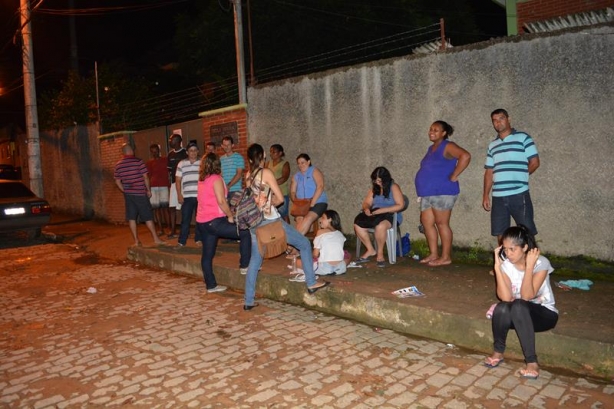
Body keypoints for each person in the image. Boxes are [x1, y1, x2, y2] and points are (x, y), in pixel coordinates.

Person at [243, 144, 330, 311]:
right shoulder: (266, 172)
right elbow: (279, 198)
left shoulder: (248, 176)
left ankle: (248, 300)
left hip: (255, 223)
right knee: (304, 244)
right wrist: (271, 202)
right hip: (271, 221)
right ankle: (311, 283)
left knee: (255, 261)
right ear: (263, 157)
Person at [484, 225, 558, 380]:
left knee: (518, 304)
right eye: (505, 249)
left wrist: (529, 267)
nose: (508, 254)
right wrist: (497, 267)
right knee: (502, 307)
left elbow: (526, 295)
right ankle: (498, 352)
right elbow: (504, 297)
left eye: (513, 249)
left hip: (543, 315)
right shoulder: (506, 265)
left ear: (524, 247)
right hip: (518, 315)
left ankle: (532, 362)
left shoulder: (541, 263)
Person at [414, 121, 471, 266]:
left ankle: (446, 257)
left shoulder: (448, 146)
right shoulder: (431, 148)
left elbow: (465, 156)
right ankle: (434, 254)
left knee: (441, 224)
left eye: (436, 130)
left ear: (444, 133)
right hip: (427, 193)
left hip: (443, 192)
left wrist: (454, 175)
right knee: (427, 223)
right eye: (431, 129)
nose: (431, 132)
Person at [196, 153, 251, 293]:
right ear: (217, 164)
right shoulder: (216, 179)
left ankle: (211, 285)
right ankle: (245, 265)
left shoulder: (202, 179)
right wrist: (230, 215)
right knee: (245, 232)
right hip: (214, 221)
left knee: (207, 255)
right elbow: (221, 200)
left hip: (203, 222)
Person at [483, 109, 540, 244]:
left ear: (509, 119)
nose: (498, 122)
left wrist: (521, 177)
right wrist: (486, 194)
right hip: (498, 196)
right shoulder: (492, 145)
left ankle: (531, 262)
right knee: (500, 232)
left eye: (501, 118)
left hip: (519, 193)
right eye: (495, 120)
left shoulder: (523, 138)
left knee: (526, 230)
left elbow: (535, 162)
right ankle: (505, 263)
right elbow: (489, 172)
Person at [113, 143, 165, 247]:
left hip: (129, 195)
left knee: (131, 218)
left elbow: (117, 181)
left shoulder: (118, 165)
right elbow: (145, 177)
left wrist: (124, 190)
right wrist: (148, 190)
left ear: (123, 152)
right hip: (140, 193)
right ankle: (156, 239)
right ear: (131, 150)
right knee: (147, 216)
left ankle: (136, 241)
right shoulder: (138, 162)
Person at [354, 167, 405, 268]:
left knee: (380, 226)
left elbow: (400, 205)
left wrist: (383, 210)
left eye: (379, 180)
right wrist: (366, 209)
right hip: (376, 214)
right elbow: (366, 202)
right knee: (357, 224)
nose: (377, 183)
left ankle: (380, 254)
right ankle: (370, 250)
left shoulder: (394, 187)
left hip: (391, 215)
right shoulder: (374, 188)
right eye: (375, 180)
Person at [290, 153, 328, 236]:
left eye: (302, 162)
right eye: (299, 163)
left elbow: (320, 186)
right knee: (299, 221)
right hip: (302, 204)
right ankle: (295, 247)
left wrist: (312, 203)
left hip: (318, 202)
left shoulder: (314, 171)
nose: (300, 165)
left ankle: (292, 246)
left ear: (308, 161)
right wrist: (296, 202)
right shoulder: (296, 176)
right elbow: (292, 192)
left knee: (308, 218)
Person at [175, 140, 202, 248]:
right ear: (187, 152)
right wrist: (179, 195)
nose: (193, 152)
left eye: (195, 150)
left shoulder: (202, 162)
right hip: (186, 197)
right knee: (185, 219)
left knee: (199, 219)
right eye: (191, 151)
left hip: (200, 196)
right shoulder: (181, 163)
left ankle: (199, 239)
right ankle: (182, 241)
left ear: (198, 151)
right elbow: (178, 180)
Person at [312, 210, 349, 276]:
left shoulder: (320, 232)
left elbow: (315, 254)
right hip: (341, 268)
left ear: (330, 219)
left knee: (301, 262)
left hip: (325, 267)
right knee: (348, 255)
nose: (320, 221)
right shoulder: (340, 233)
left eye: (323, 218)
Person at [146, 143, 171, 236]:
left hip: (164, 186)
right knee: (157, 209)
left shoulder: (165, 160)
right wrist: (147, 188)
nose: (154, 153)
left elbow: (169, 172)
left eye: (156, 151)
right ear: (151, 152)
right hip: (153, 187)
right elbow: (147, 176)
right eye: (152, 152)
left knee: (165, 208)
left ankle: (169, 227)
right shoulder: (149, 163)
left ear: (159, 150)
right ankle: (160, 229)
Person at [167, 134, 187, 238]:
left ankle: (184, 230)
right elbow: (169, 171)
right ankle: (173, 230)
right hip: (174, 183)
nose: (170, 141)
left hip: (184, 183)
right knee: (172, 207)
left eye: (171, 139)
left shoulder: (185, 153)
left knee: (184, 207)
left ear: (177, 140)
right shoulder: (170, 154)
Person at [266, 144, 291, 223]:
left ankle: (288, 233)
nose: (271, 154)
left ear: (280, 153)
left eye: (274, 152)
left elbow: (284, 177)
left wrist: (272, 183)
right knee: (273, 214)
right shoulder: (268, 163)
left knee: (283, 214)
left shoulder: (285, 164)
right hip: (271, 194)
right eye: (271, 152)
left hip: (282, 193)